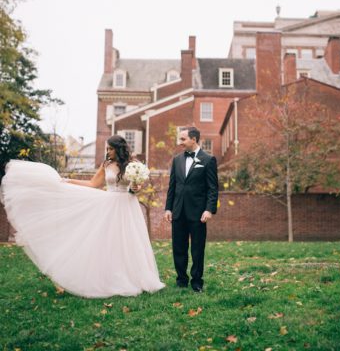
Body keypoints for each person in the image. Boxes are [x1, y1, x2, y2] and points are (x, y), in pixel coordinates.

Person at [0, 135, 165, 298]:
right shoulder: (106, 164)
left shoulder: (133, 165)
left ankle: (136, 278)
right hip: (109, 205)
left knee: (129, 241)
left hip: (128, 206)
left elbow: (136, 188)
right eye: (107, 148)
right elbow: (93, 184)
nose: (107, 151)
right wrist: (69, 181)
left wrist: (136, 187)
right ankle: (109, 278)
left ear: (119, 149)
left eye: (110, 148)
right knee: (108, 242)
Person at [164, 127, 218, 292]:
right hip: (178, 211)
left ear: (193, 139)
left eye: (183, 139)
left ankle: (196, 282)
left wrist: (209, 209)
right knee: (178, 248)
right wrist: (168, 208)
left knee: (197, 249)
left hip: (198, 213)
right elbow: (172, 186)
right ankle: (181, 280)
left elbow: (213, 188)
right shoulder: (177, 160)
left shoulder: (208, 160)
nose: (180, 143)